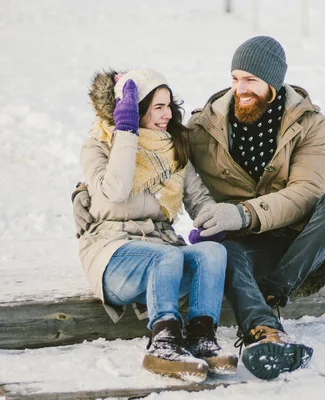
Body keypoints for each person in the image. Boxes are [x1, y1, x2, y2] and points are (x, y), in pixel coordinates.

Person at [74, 36, 325, 381]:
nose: (240, 88)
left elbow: (307, 190)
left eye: (250, 79)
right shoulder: (202, 127)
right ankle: (257, 330)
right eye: (235, 78)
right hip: (232, 248)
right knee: (219, 251)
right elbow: (123, 181)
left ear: (273, 81)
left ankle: (259, 300)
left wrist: (238, 213)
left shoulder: (306, 121)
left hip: (295, 246)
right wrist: (118, 140)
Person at [77, 68, 237, 382]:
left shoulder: (174, 148)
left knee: (212, 254)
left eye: (168, 106)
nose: (167, 115)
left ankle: (201, 338)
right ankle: (163, 343)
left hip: (163, 256)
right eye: (157, 107)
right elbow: (115, 192)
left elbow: (198, 197)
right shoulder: (99, 145)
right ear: (133, 110)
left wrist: (212, 221)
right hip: (113, 256)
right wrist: (127, 133)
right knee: (167, 255)